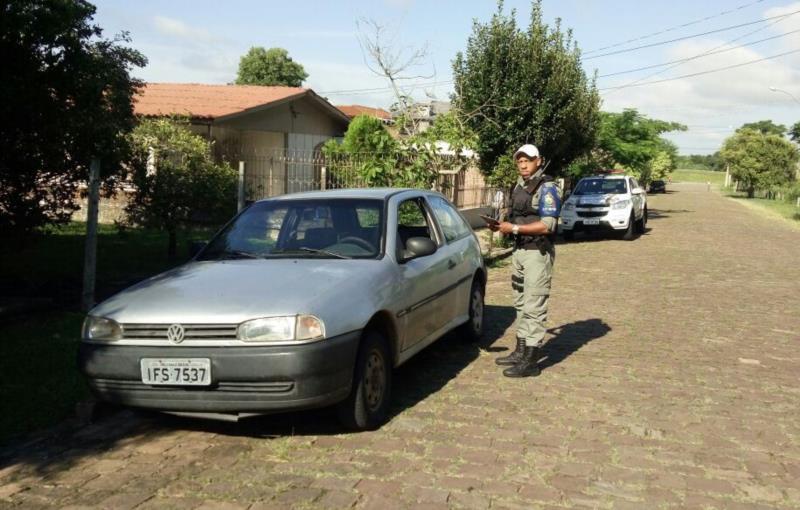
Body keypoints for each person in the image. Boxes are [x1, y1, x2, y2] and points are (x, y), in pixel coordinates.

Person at [488, 144, 560, 378]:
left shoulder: (547, 187)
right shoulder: (519, 185)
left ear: (538, 161)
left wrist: (515, 228)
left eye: (527, 160)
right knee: (520, 302)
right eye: (519, 161)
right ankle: (520, 350)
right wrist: (502, 226)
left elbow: (548, 225)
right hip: (519, 251)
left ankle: (531, 360)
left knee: (534, 305)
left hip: (537, 253)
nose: (523, 164)